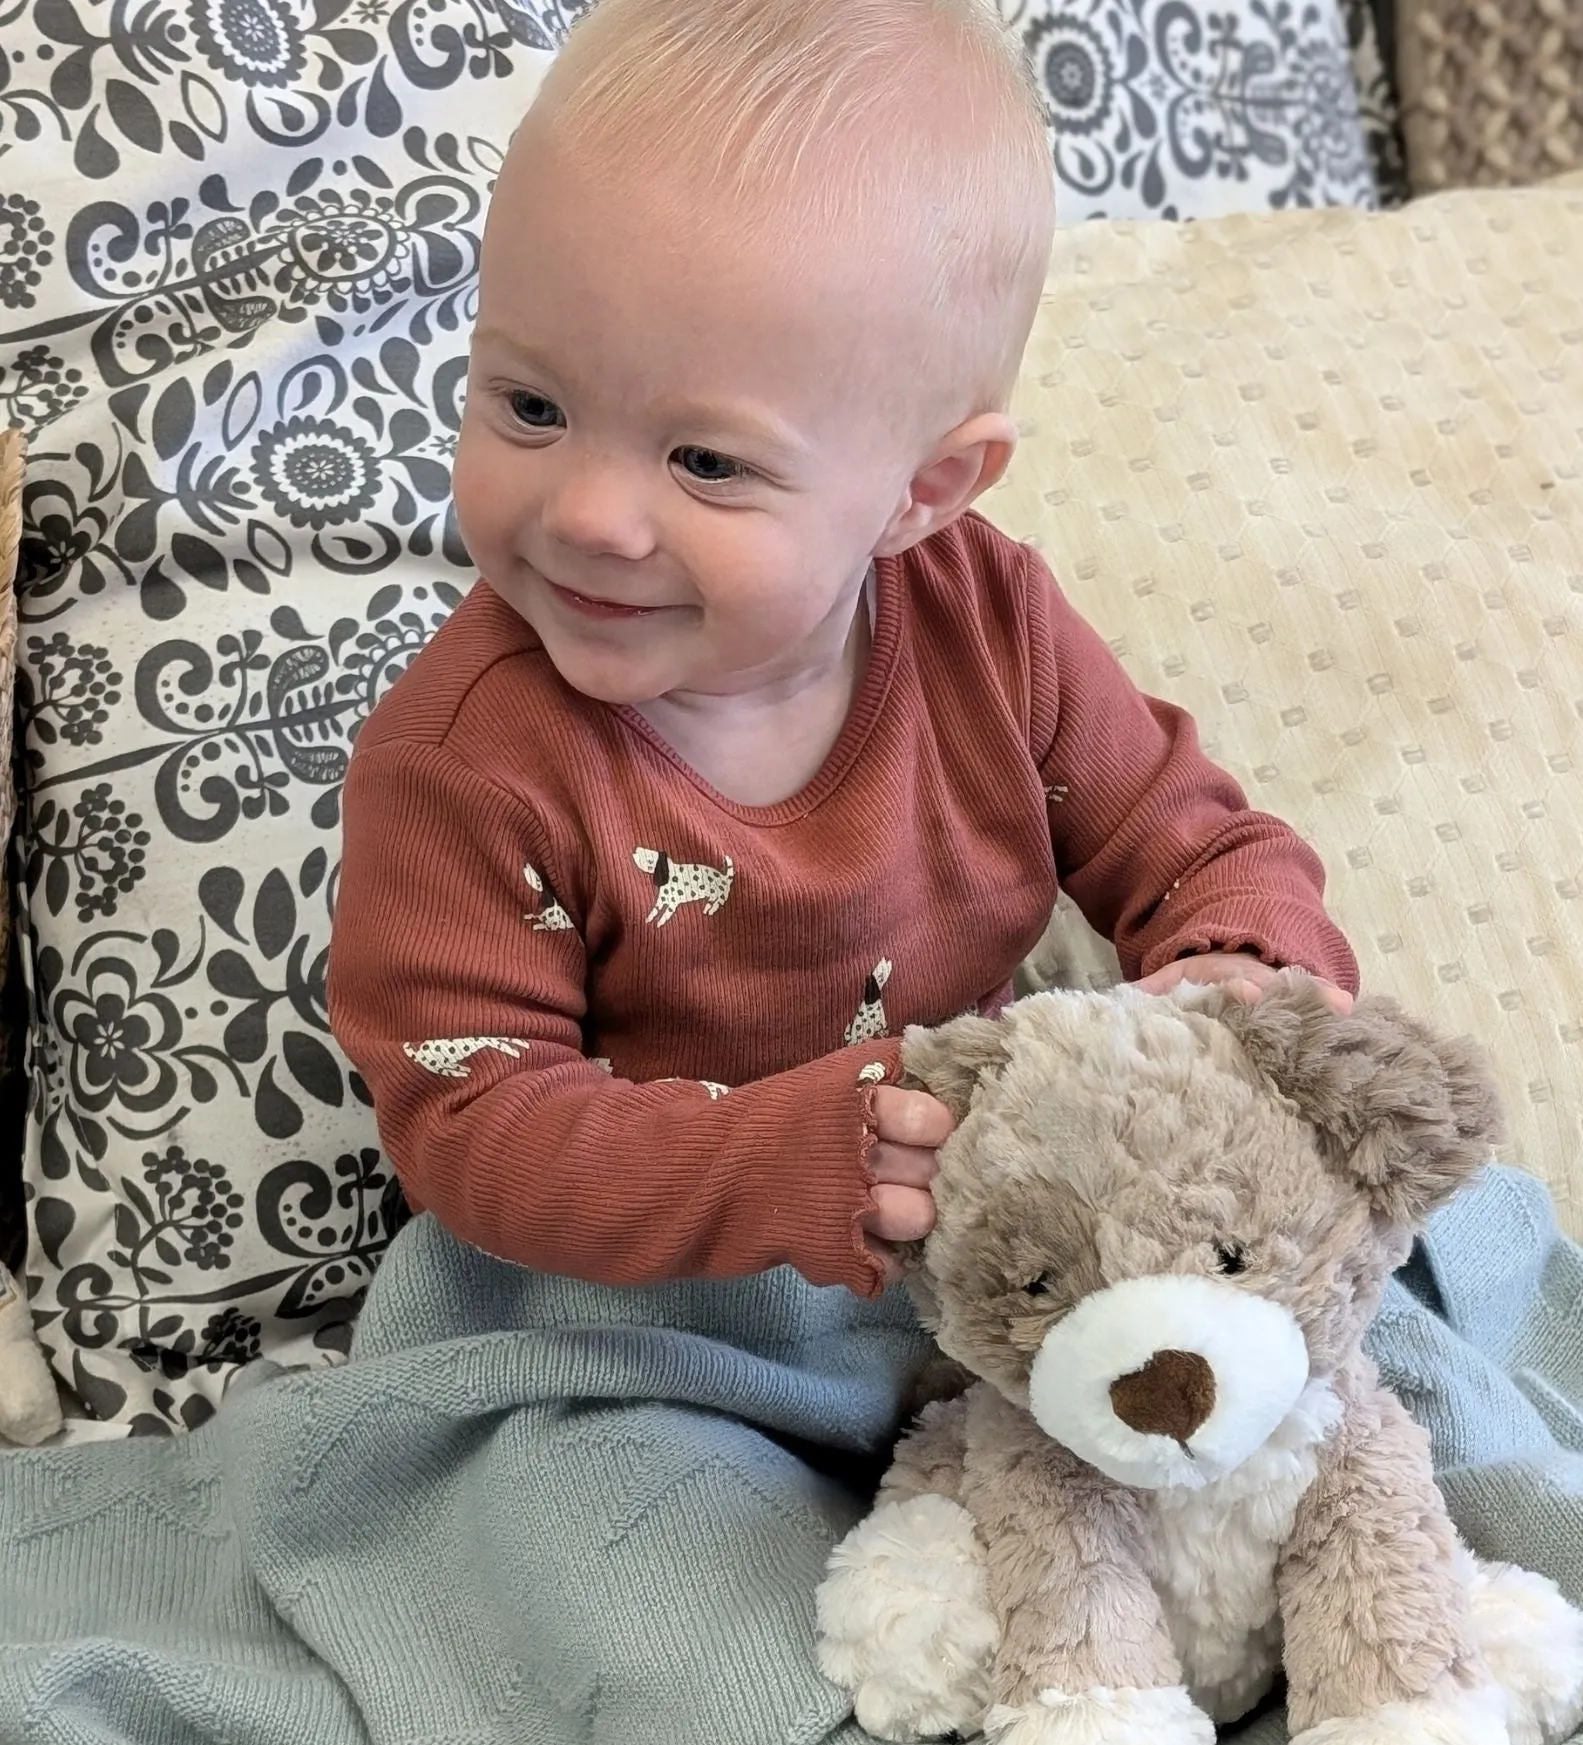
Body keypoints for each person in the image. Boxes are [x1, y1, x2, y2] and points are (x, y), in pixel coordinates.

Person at [328, 0, 1358, 1301]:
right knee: (584, 1486)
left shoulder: (986, 627)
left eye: (706, 461)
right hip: (640, 1304)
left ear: (925, 490)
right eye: (532, 406)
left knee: (1394, 1319)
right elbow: (474, 1131)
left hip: (993, 1246)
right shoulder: (464, 767)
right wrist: (784, 1162)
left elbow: (1204, 848)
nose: (586, 514)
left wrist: (1241, 988)